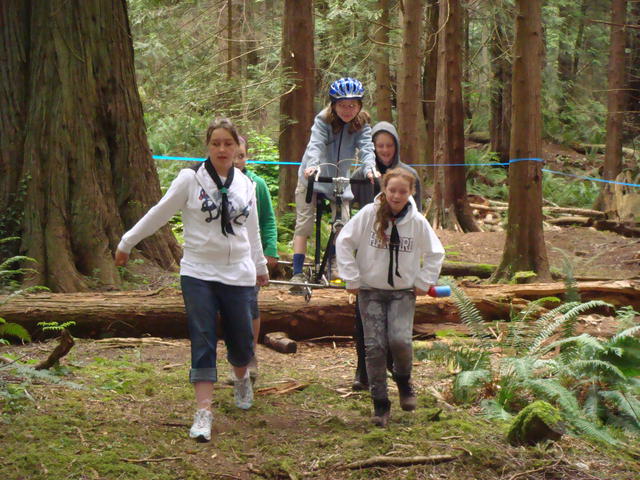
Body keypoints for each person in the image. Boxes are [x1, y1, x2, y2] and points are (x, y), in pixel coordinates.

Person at [114, 118, 269, 443]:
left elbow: (252, 230)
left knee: (242, 339)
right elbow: (159, 212)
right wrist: (127, 242)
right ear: (208, 147)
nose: (222, 149)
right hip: (199, 271)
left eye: (228, 143)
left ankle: (241, 378)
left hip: (238, 272)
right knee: (203, 337)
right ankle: (204, 411)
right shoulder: (190, 179)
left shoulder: (246, 184)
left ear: (237, 147)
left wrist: (260, 265)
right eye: (216, 143)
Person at [336, 168, 444, 427]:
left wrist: (423, 281)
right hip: (370, 291)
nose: (396, 196)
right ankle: (380, 403)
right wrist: (351, 277)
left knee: (400, 340)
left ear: (411, 193)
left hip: (402, 293)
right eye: (392, 190)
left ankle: (404, 380)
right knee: (374, 347)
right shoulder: (368, 214)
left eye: (402, 191)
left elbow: (435, 253)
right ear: (384, 189)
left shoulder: (417, 222)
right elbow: (344, 241)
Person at [349, 121, 424, 391]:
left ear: (396, 146)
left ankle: (395, 367)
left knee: (396, 325)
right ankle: (363, 371)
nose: (384, 150)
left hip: (399, 256)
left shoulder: (409, 175)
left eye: (389, 145)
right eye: (379, 146)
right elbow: (352, 211)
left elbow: (417, 218)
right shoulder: (361, 175)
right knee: (365, 321)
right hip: (369, 255)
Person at [290, 77, 376, 289]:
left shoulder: (362, 124)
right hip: (313, 176)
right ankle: (297, 272)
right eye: (343, 105)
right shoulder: (323, 120)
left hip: (338, 180)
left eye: (352, 105)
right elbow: (316, 145)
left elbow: (367, 148)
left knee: (344, 223)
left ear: (360, 105)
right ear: (334, 105)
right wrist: (313, 166)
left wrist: (369, 168)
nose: (348, 110)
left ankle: (336, 264)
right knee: (304, 223)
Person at [233, 135, 279, 382]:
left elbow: (267, 220)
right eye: (234, 156)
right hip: (225, 258)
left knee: (249, 304)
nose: (236, 161)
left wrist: (269, 251)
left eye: (241, 156)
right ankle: (236, 358)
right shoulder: (212, 182)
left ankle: (250, 356)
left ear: (247, 157)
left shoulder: (257, 184)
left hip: (251, 257)